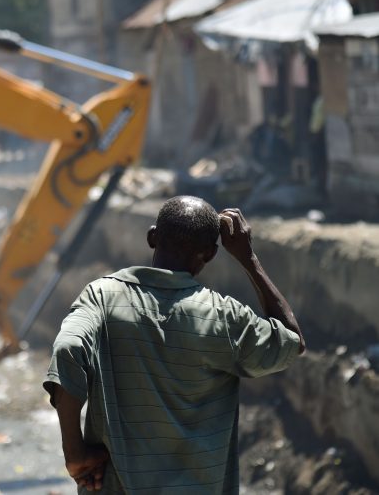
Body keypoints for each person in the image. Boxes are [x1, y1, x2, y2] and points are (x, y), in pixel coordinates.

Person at [43, 196, 305, 494]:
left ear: (153, 237)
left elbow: (66, 351)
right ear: (209, 255)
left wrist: (74, 453)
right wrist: (249, 260)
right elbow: (291, 340)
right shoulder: (223, 317)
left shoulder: (102, 297)